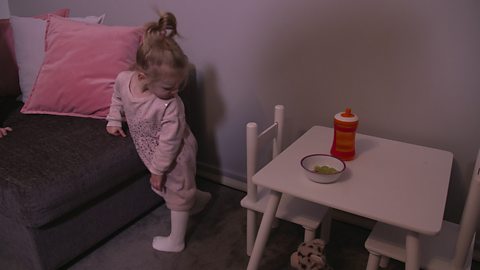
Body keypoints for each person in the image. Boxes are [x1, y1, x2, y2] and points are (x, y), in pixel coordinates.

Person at [106, 11, 211, 252]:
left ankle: (176, 240)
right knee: (179, 189)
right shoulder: (124, 80)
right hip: (154, 150)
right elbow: (117, 98)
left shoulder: (171, 105)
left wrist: (158, 169)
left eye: (178, 85)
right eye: (168, 86)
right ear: (142, 76)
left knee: (175, 193)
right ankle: (198, 198)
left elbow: (170, 141)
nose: (175, 91)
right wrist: (114, 119)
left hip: (176, 154)